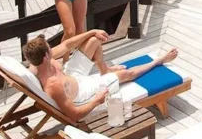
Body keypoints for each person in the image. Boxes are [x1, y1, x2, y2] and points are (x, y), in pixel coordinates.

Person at [22, 33, 178, 123]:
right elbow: (74, 115)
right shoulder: (53, 85)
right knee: (125, 74)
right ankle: (158, 61)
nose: (52, 49)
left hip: (72, 76)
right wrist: (96, 100)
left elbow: (67, 44)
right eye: (49, 49)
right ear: (46, 56)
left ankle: (105, 70)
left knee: (94, 41)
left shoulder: (37, 64)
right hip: (81, 93)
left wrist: (92, 31)